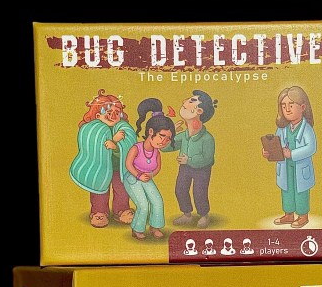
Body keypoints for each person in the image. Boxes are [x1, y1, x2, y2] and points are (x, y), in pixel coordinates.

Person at [70, 89, 137, 228]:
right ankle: (99, 212)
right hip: (100, 168)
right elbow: (94, 147)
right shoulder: (93, 130)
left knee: (122, 189)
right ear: (97, 115)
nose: (113, 115)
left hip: (118, 167)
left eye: (117, 112)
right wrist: (113, 140)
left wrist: (117, 146)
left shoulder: (122, 129)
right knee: (99, 190)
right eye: (108, 112)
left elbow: (129, 147)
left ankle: (121, 210)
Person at [262, 86, 317, 229]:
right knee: (287, 190)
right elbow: (277, 145)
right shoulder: (282, 129)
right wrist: (269, 152)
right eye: (283, 105)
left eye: (291, 105)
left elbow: (311, 148)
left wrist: (292, 154)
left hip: (300, 167)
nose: (287, 109)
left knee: (300, 191)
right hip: (285, 167)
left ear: (302, 107)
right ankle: (288, 214)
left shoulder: (307, 129)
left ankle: (303, 216)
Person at [162, 90, 217, 229]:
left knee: (199, 193)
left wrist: (190, 160)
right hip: (185, 168)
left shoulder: (207, 138)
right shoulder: (183, 135)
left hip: (202, 170)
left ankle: (203, 215)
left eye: (191, 101)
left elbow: (207, 158)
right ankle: (187, 214)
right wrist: (170, 135)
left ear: (199, 111)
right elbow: (165, 148)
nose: (184, 102)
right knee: (180, 189)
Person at [125, 99, 176, 240]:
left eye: (168, 139)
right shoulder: (136, 148)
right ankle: (137, 228)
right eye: (162, 136)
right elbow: (128, 164)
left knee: (157, 201)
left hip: (147, 178)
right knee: (143, 205)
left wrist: (151, 174)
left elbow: (158, 167)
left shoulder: (157, 152)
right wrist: (138, 175)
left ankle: (155, 226)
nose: (164, 142)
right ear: (151, 131)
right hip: (132, 178)